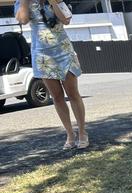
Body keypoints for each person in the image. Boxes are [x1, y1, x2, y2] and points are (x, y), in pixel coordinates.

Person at [15, 0, 88, 149]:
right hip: (42, 54)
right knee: (56, 96)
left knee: (73, 93)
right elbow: (23, 20)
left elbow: (66, 20)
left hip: (63, 50)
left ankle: (82, 132)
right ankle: (69, 134)